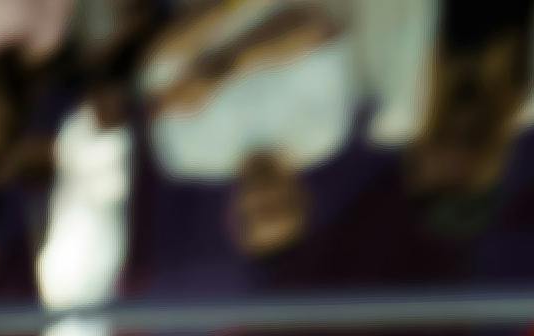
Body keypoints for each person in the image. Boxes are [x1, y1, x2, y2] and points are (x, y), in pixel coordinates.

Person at [135, 0, 364, 251]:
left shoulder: (184, 156)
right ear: (303, 198)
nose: (263, 197)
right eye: (279, 205)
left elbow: (159, 62)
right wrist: (218, 71)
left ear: (232, 215)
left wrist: (231, 10)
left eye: (255, 213)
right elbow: (311, 26)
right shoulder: (324, 135)